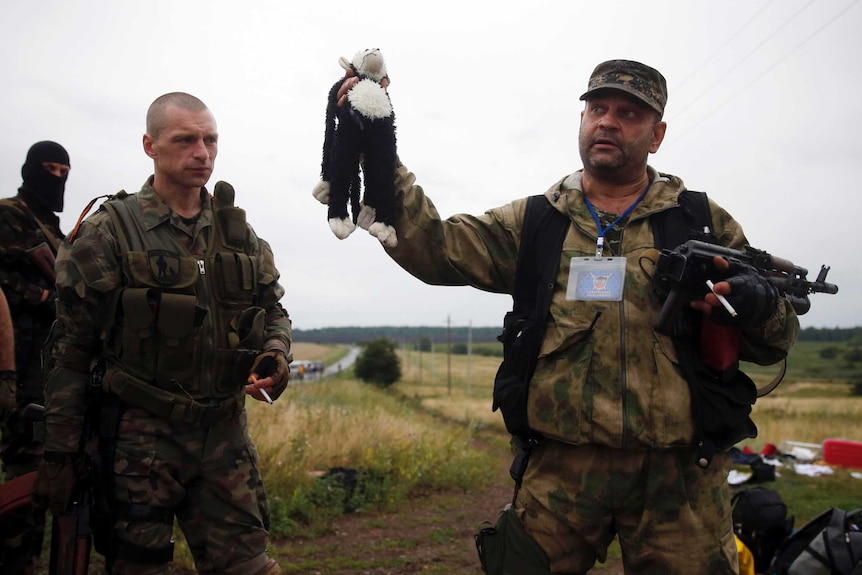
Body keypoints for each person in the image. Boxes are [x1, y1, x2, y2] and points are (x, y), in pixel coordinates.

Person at [343, 60, 799, 573]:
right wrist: (379, 152)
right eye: (597, 109)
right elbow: (437, 247)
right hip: (560, 473)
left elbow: (774, 341)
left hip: (681, 477)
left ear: (657, 135)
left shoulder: (703, 222)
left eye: (629, 113)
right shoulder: (537, 221)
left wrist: (757, 306)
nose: (607, 122)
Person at [33, 92, 291, 575]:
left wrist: (275, 353)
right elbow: (69, 351)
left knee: (250, 567)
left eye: (210, 140)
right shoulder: (110, 231)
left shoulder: (238, 233)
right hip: (140, 441)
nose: (203, 152)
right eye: (186, 140)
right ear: (150, 146)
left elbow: (272, 309)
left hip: (224, 435)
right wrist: (60, 452)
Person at [0, 140, 70, 574]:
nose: (57, 178)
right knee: (24, 462)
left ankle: (28, 556)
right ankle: (14, 558)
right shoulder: (9, 214)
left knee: (46, 467)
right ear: (30, 170)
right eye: (49, 169)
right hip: (17, 360)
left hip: (51, 367)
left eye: (64, 171)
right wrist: (42, 296)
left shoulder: (56, 231)